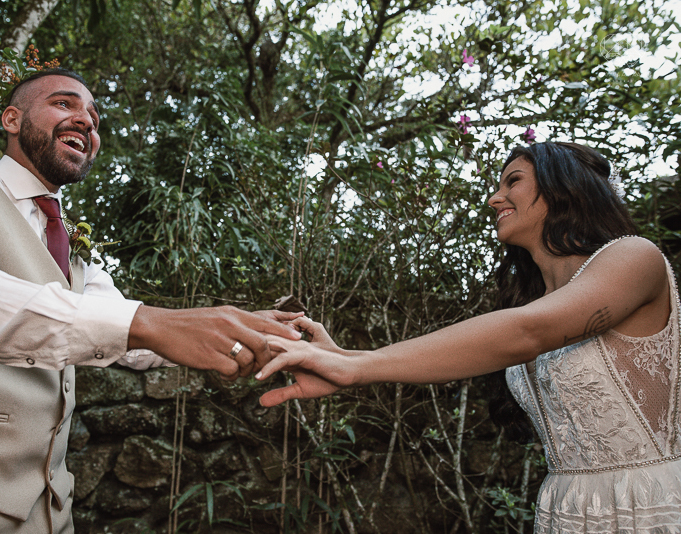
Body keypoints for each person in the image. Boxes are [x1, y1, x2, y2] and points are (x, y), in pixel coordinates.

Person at [0, 68, 301, 533]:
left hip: (53, 513)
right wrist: (150, 323)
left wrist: (248, 332)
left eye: (94, 117)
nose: (86, 121)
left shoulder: (70, 239)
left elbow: (133, 338)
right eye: (65, 104)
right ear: (12, 119)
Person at [257, 142, 681, 532]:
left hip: (648, 503)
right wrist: (346, 356)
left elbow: (527, 332)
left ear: (565, 186)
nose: (494, 199)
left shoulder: (634, 257)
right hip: (566, 509)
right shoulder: (532, 302)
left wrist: (355, 367)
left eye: (512, 181)